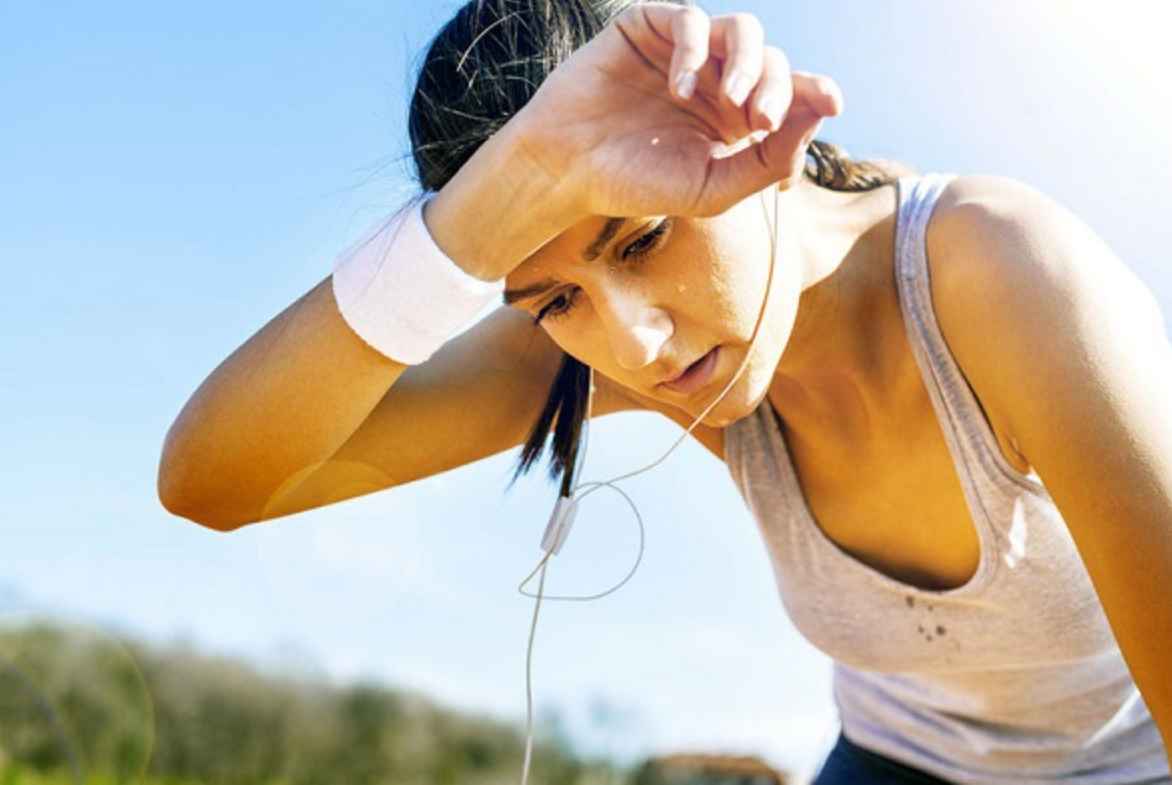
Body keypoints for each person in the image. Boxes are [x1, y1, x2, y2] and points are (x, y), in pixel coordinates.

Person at [157, 0, 1172, 781]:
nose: (631, 341)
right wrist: (467, 227)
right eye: (553, 298)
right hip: (895, 758)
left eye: (640, 237)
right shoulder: (599, 347)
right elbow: (214, 479)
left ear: (744, 133)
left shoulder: (1000, 272)